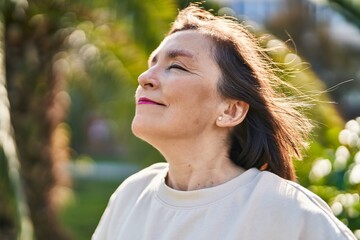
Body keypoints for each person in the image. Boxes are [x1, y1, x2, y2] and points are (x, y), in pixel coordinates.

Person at [92, 5, 356, 240]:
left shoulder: (287, 210)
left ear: (231, 110)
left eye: (177, 67)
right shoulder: (132, 195)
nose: (145, 77)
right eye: (153, 63)